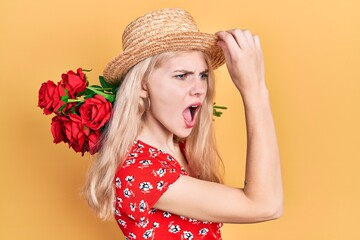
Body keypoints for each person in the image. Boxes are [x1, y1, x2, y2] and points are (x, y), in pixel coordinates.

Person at [83, 8, 283, 240]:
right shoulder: (140, 170)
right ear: (142, 86)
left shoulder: (180, 148)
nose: (199, 88)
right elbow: (266, 205)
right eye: (181, 75)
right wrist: (254, 89)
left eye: (203, 75)